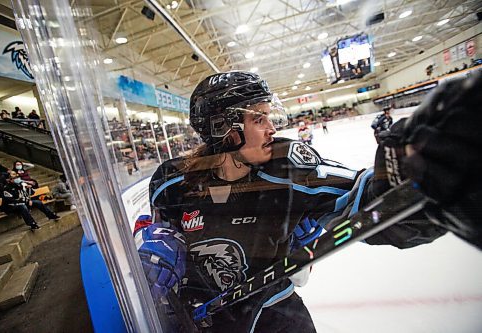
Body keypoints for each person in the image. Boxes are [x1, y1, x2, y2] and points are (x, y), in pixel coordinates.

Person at [134, 71, 482, 332]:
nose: (272, 127)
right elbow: (160, 229)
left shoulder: (288, 167)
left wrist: (410, 169)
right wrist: (157, 245)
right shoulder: (172, 182)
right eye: (259, 118)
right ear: (222, 126)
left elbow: (364, 195)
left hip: (276, 315)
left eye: (269, 116)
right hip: (200, 319)